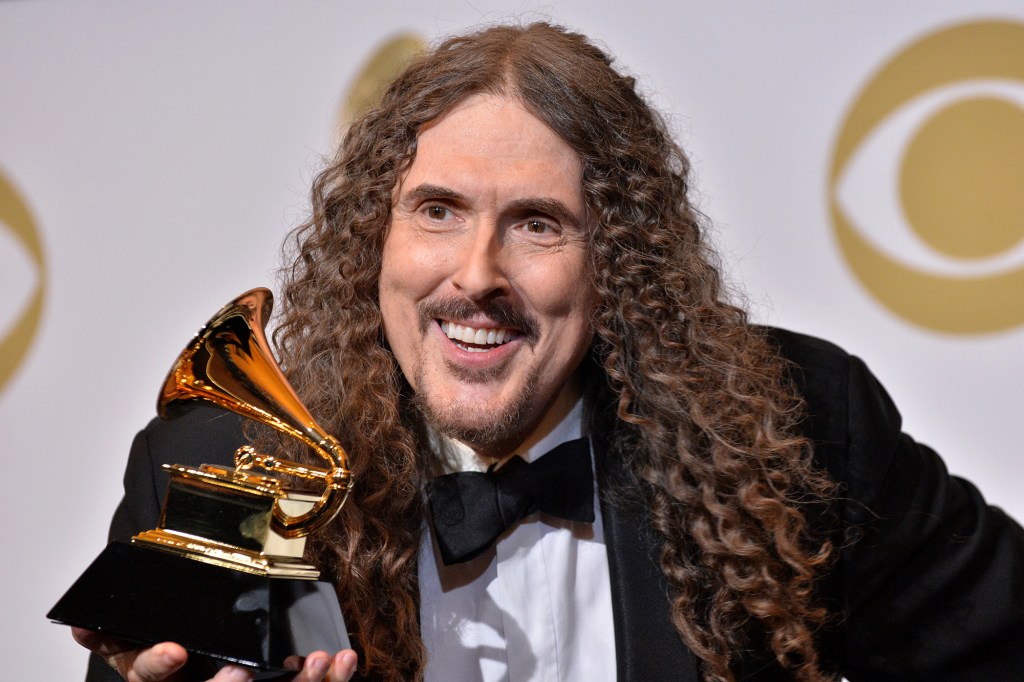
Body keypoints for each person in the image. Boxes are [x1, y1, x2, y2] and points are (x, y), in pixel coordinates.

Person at [75, 21, 1024, 682]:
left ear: (620, 263)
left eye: (537, 224)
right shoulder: (224, 468)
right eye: (437, 211)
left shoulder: (792, 430)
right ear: (376, 233)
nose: (476, 273)